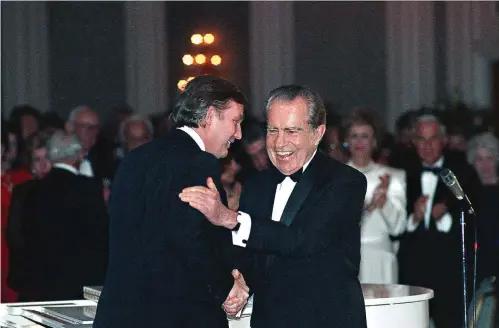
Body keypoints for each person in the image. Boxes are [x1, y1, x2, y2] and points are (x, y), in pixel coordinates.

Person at [180, 85, 368, 328]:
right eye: (273, 130)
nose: (280, 143)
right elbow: (254, 255)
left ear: (318, 133)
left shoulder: (346, 182)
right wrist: (239, 283)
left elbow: (302, 240)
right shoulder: (257, 185)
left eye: (291, 131)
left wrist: (230, 218)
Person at [93, 75, 249, 328]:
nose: (239, 134)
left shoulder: (135, 159)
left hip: (121, 315)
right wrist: (227, 286)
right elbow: (191, 239)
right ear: (210, 116)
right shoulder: (199, 162)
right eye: (235, 122)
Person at [397, 115, 481, 328]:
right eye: (421, 139)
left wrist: (445, 216)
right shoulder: (402, 172)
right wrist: (414, 218)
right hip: (413, 271)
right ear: (414, 142)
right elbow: (397, 227)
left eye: (433, 139)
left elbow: (474, 220)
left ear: (444, 141)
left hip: (449, 272)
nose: (427, 146)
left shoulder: (463, 173)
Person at [27, 131, 109, 301]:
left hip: (42, 283)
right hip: (82, 283)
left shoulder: (32, 189)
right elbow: (100, 236)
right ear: (79, 155)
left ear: (51, 155)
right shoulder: (89, 188)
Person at [342, 108, 407, 284]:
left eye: (365, 136)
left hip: (381, 258)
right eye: (354, 136)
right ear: (346, 140)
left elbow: (399, 228)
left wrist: (384, 203)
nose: (359, 142)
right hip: (345, 260)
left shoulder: (394, 176)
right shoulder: (335, 178)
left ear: (375, 141)